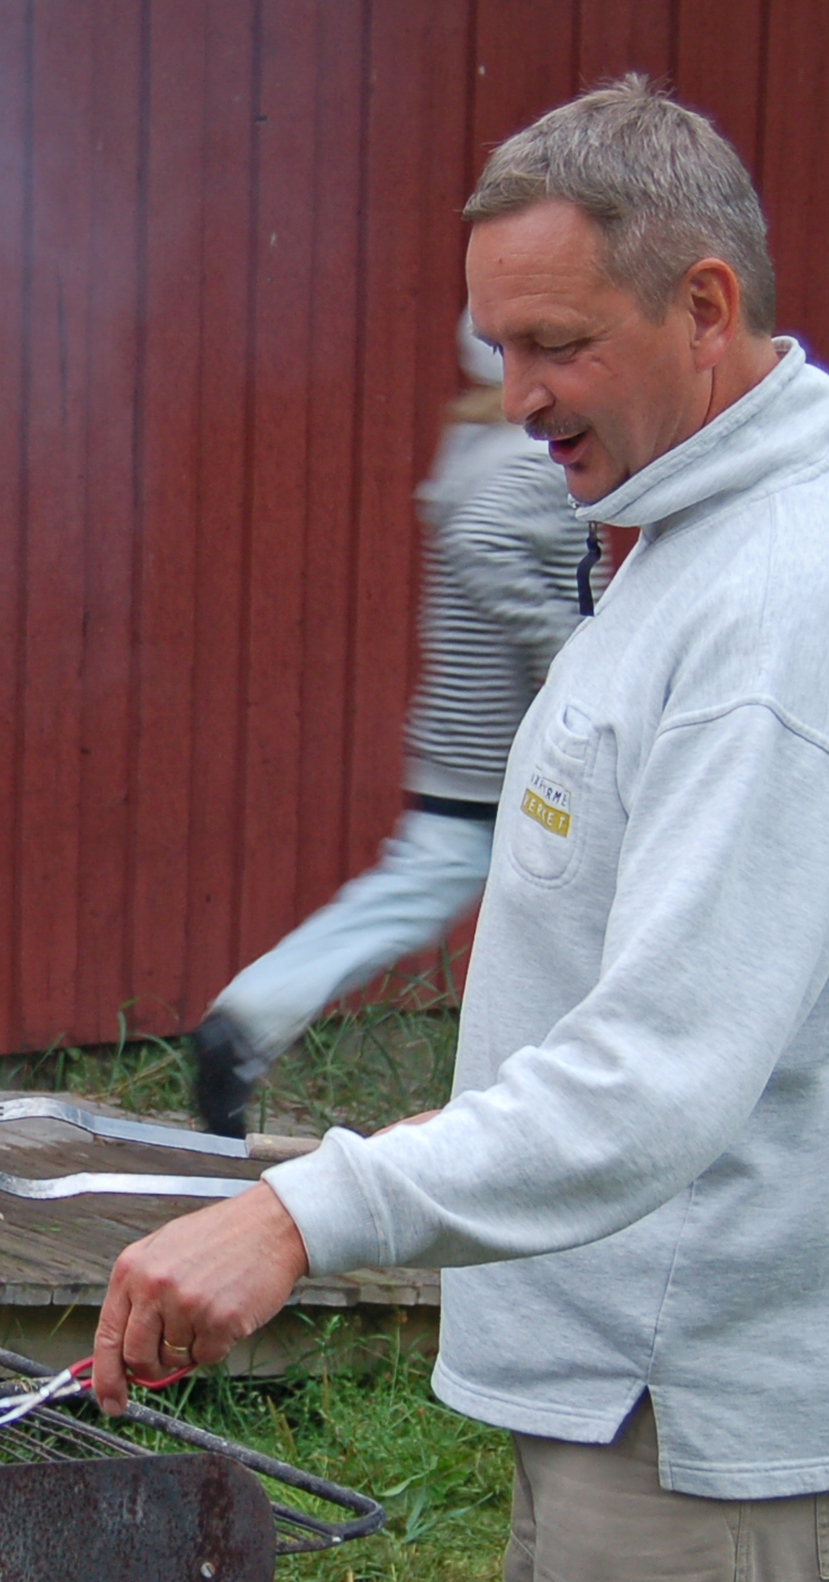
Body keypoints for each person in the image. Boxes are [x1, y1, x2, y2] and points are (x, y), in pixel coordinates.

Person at [94, 76, 829, 1582]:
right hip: (627, 1408)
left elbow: (655, 1076)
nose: (518, 399)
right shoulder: (682, 538)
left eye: (557, 344)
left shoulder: (779, 620)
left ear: (707, 308)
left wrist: (303, 1213)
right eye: (497, 345)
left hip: (709, 1427)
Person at [192, 311, 589, 1136]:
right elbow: (486, 545)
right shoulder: (527, 464)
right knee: (581, 903)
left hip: (473, 743)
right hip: (503, 750)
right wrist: (576, 655)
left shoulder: (478, 447)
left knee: (426, 896)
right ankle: (563, 1111)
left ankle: (250, 1020)